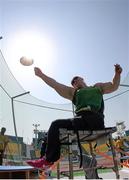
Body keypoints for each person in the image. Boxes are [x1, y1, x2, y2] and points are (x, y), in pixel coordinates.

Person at [27, 64, 122, 169]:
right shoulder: (74, 92)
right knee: (53, 127)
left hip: (95, 119)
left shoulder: (97, 87)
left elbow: (114, 86)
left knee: (56, 125)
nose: (74, 83)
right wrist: (41, 75)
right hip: (81, 120)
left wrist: (117, 74)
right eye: (73, 83)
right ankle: (45, 161)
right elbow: (55, 84)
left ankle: (48, 160)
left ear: (82, 79)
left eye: (76, 80)